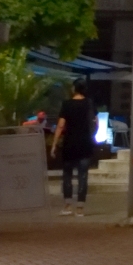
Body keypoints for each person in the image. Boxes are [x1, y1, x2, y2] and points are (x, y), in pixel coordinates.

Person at [50, 81, 97, 216]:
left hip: (70, 144)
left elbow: (60, 125)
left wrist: (54, 144)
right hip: (85, 144)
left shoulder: (67, 104)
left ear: (75, 89)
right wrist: (91, 136)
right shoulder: (89, 103)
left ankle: (67, 206)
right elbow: (96, 123)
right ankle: (80, 208)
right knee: (83, 176)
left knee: (67, 175)